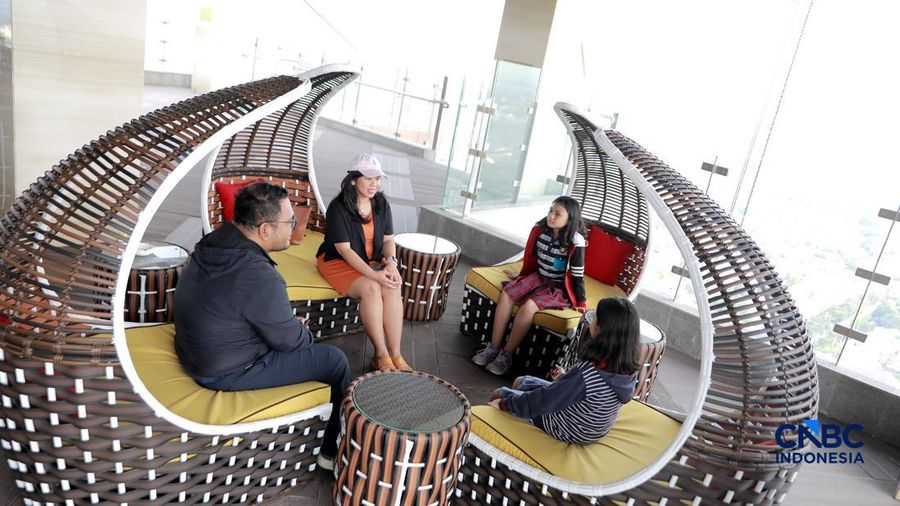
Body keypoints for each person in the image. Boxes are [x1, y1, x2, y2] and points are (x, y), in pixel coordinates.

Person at [174, 182, 351, 471]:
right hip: (224, 370)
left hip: (197, 349)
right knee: (335, 360)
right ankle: (331, 452)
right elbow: (293, 343)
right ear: (265, 229)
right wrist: (299, 329)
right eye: (290, 222)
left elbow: (238, 301)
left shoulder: (217, 239)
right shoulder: (258, 275)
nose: (294, 227)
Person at [487, 297, 640, 444]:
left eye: (595, 319)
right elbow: (590, 391)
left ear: (602, 331)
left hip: (566, 428)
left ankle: (486, 440)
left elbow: (546, 400)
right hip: (592, 429)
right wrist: (565, 378)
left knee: (499, 395)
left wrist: (505, 405)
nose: (592, 320)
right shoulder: (626, 369)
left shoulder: (586, 373)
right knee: (521, 381)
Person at [472, 195, 588, 375]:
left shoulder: (575, 243)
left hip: (557, 287)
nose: (551, 216)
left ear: (570, 218)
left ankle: (505, 355)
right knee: (507, 294)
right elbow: (531, 259)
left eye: (558, 214)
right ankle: (493, 348)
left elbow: (577, 276)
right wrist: (521, 276)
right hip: (538, 276)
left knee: (529, 306)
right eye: (551, 211)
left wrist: (581, 303)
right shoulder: (541, 232)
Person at [316, 153, 410, 372]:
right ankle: (381, 353)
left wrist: (391, 264)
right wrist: (373, 274)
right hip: (338, 262)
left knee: (393, 285)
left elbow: (388, 240)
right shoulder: (338, 207)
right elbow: (344, 250)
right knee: (371, 288)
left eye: (377, 178)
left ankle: (396, 354)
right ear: (353, 179)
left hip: (372, 260)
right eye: (368, 178)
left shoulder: (381, 203)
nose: (374, 184)